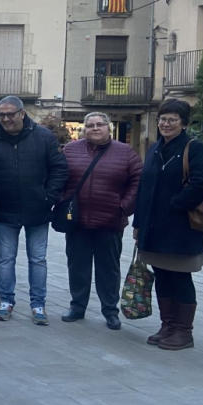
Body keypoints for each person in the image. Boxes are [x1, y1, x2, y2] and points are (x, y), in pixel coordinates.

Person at [0, 96, 67, 325]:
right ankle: (6, 302)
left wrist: (48, 197)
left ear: (22, 113)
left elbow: (59, 169)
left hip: (38, 210)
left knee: (38, 259)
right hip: (5, 210)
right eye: (2, 115)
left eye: (11, 114)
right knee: (5, 259)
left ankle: (38, 305)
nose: (6, 119)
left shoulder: (44, 137)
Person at [132, 98, 203, 350]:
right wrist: (138, 222)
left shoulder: (194, 147)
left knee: (180, 277)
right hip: (153, 227)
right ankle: (167, 325)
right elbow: (144, 187)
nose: (166, 124)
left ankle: (183, 331)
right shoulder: (155, 147)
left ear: (184, 123)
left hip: (180, 227)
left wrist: (175, 204)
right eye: (162, 119)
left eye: (172, 120)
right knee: (162, 276)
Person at [60, 112, 142, 329]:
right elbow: (56, 176)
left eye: (99, 125)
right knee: (77, 266)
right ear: (84, 129)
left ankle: (110, 311)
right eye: (90, 125)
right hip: (77, 222)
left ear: (109, 128)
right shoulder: (70, 150)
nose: (95, 128)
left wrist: (124, 206)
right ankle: (77, 306)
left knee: (109, 269)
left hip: (110, 221)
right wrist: (62, 200)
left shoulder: (126, 153)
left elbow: (138, 181)